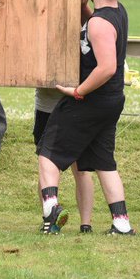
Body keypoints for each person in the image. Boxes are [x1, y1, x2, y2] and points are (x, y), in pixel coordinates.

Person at [36, 0, 134, 236]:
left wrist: (79, 91)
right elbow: (95, 31)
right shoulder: (117, 12)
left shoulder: (99, 23)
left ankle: (51, 209)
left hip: (91, 100)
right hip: (112, 100)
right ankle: (121, 223)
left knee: (48, 153)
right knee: (105, 163)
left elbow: (107, 67)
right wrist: (83, 8)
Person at [34, 87, 97, 233]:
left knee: (52, 166)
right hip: (52, 106)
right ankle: (83, 224)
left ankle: (52, 218)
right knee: (75, 170)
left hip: (69, 107)